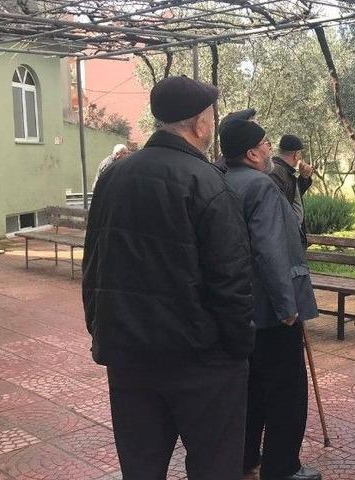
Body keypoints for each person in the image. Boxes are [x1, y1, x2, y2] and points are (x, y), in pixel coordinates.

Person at [83, 76, 254, 479]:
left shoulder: (113, 177)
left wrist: (101, 330)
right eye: (211, 116)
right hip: (200, 362)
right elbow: (231, 280)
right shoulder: (209, 183)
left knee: (141, 468)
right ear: (199, 124)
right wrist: (238, 348)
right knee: (214, 466)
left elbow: (93, 264)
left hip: (128, 357)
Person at [222, 119, 321, 480]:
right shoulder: (261, 186)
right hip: (271, 311)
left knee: (252, 390)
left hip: (240, 308)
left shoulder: (221, 180)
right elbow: (270, 250)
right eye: (265, 144)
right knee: (286, 393)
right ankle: (283, 467)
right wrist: (287, 306)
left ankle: (246, 456)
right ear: (251, 153)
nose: (269, 150)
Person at [269, 134, 314, 239]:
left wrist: (304, 178)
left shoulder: (283, 171)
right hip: (284, 236)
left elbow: (291, 195)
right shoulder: (277, 172)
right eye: (300, 153)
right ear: (296, 154)